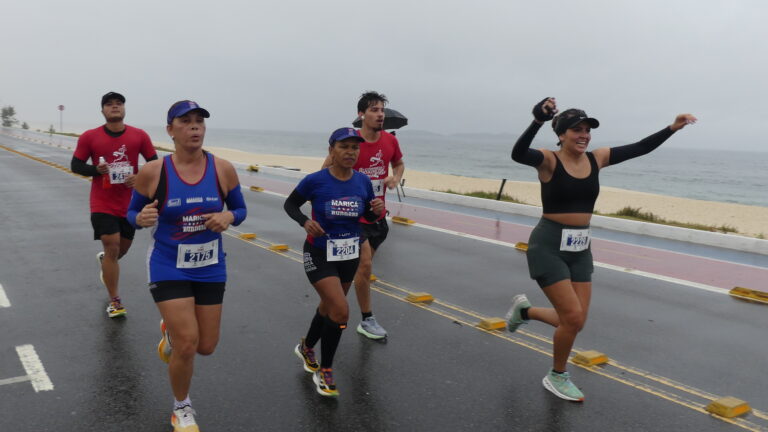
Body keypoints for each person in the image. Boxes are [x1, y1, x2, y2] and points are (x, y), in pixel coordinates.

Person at [506, 97, 696, 402]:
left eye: (587, 130)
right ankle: (557, 375)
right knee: (571, 318)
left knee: (576, 321)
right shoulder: (548, 160)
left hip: (581, 247)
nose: (583, 135)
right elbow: (517, 154)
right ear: (561, 134)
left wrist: (671, 128)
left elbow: (640, 147)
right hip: (548, 245)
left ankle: (524, 311)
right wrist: (537, 120)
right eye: (575, 130)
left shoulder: (598, 158)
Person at [127, 100, 246, 431]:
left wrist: (227, 216)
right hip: (168, 265)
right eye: (186, 122)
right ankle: (182, 407)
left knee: (206, 346)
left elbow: (240, 210)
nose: (195, 127)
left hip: (210, 266)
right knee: (189, 344)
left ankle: (170, 333)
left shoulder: (222, 169)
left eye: (199, 122)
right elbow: (131, 214)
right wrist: (140, 217)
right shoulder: (153, 172)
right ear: (170, 130)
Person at [287, 127, 384, 397]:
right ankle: (325, 370)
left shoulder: (362, 182)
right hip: (318, 253)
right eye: (344, 147)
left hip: (348, 254)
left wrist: (376, 212)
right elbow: (290, 205)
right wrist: (305, 221)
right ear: (331, 150)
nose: (351, 152)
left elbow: (366, 216)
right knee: (341, 310)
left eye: (355, 148)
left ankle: (307, 347)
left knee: (330, 307)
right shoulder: (315, 180)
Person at [321, 91, 404, 340]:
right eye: (375, 110)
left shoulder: (390, 140)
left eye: (382, 110)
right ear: (361, 114)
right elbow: (325, 170)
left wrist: (394, 178)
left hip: (377, 216)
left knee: (359, 272)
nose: (380, 115)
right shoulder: (350, 141)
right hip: (352, 217)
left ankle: (330, 310)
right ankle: (366, 318)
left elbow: (398, 164)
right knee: (365, 264)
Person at [71, 91, 157, 318]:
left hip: (130, 203)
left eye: (119, 103)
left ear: (124, 108)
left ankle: (106, 261)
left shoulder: (139, 136)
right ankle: (115, 301)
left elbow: (154, 164)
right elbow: (76, 165)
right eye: (109, 104)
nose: (114, 107)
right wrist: (95, 171)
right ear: (103, 111)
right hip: (102, 202)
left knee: (120, 250)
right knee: (112, 245)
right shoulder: (90, 137)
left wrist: (139, 178)